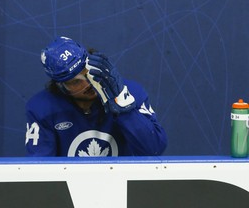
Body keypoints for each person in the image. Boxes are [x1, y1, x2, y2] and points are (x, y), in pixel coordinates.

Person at [25, 36, 167, 157]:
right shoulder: (41, 108)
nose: (87, 84)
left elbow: (154, 150)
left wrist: (125, 107)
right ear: (61, 86)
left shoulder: (132, 93)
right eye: (75, 81)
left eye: (88, 73)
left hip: (124, 186)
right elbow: (40, 168)